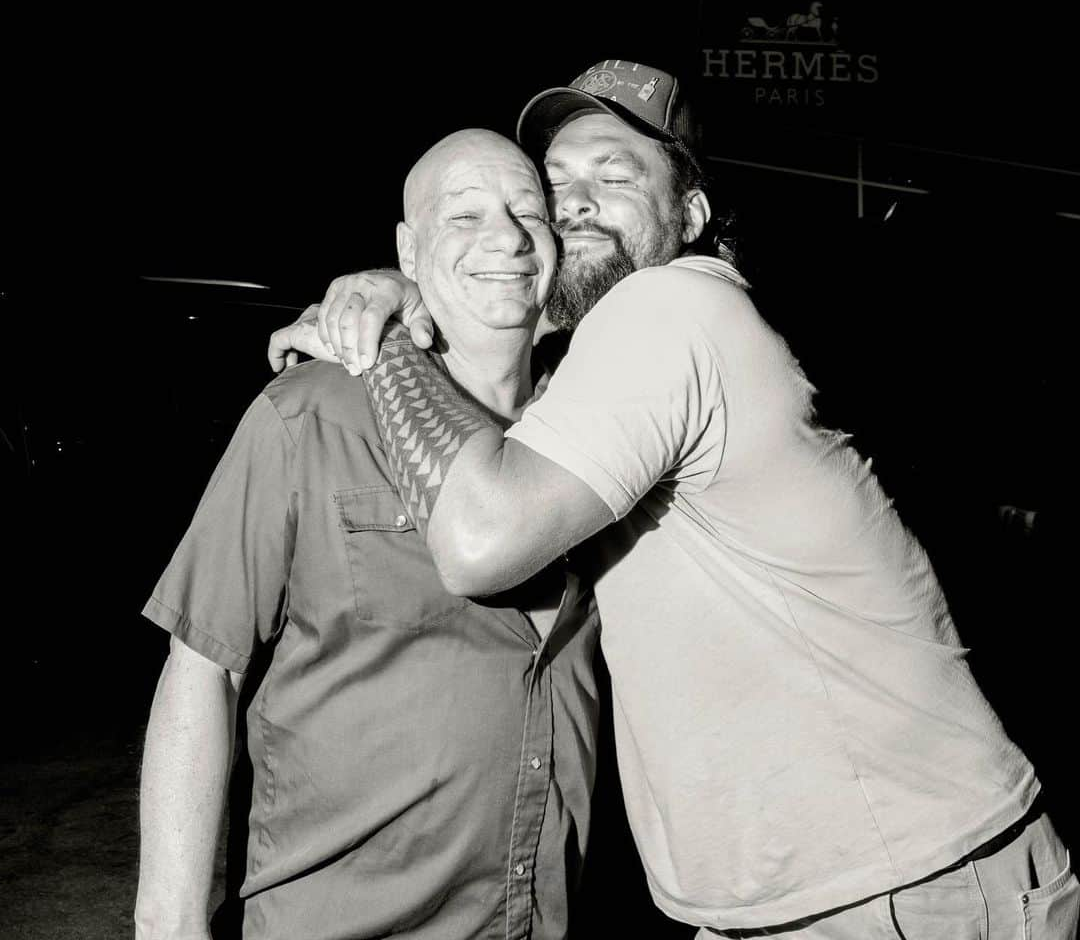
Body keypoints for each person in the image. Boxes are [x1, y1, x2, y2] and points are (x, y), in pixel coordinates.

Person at [274, 61, 1079, 938]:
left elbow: (478, 538)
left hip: (898, 890)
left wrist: (384, 342)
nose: (574, 201)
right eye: (557, 184)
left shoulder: (671, 308)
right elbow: (507, 316)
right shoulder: (613, 356)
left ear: (688, 217)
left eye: (616, 176)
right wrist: (407, 285)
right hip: (821, 892)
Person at [135, 130, 601, 940]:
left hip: (538, 918)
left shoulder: (597, 434)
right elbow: (203, 666)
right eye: (465, 216)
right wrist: (168, 924)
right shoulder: (310, 415)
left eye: (529, 211)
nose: (507, 236)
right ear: (407, 249)